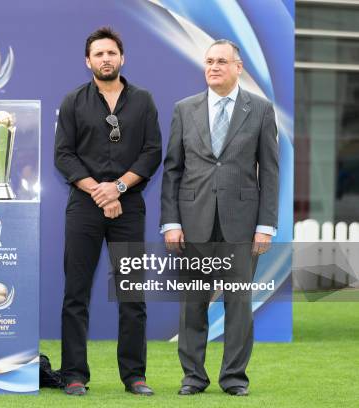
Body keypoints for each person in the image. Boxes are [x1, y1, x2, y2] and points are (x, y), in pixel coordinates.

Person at [160, 39, 279, 397]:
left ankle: (234, 379)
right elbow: (172, 170)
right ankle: (193, 378)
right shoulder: (185, 109)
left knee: (238, 306)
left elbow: (270, 172)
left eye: (221, 61)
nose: (213, 67)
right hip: (193, 221)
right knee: (192, 306)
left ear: (238, 67)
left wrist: (265, 225)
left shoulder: (259, 109)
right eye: (209, 61)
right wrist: (171, 222)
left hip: (242, 225)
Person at [54, 27, 162, 396]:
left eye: (111, 53)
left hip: (128, 206)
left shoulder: (143, 100)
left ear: (122, 58)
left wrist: (117, 188)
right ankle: (73, 375)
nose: (105, 59)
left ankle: (135, 376)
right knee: (76, 294)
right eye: (98, 54)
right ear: (88, 62)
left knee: (132, 294)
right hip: (83, 207)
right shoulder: (73, 101)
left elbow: (151, 152)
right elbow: (64, 155)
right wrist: (99, 191)